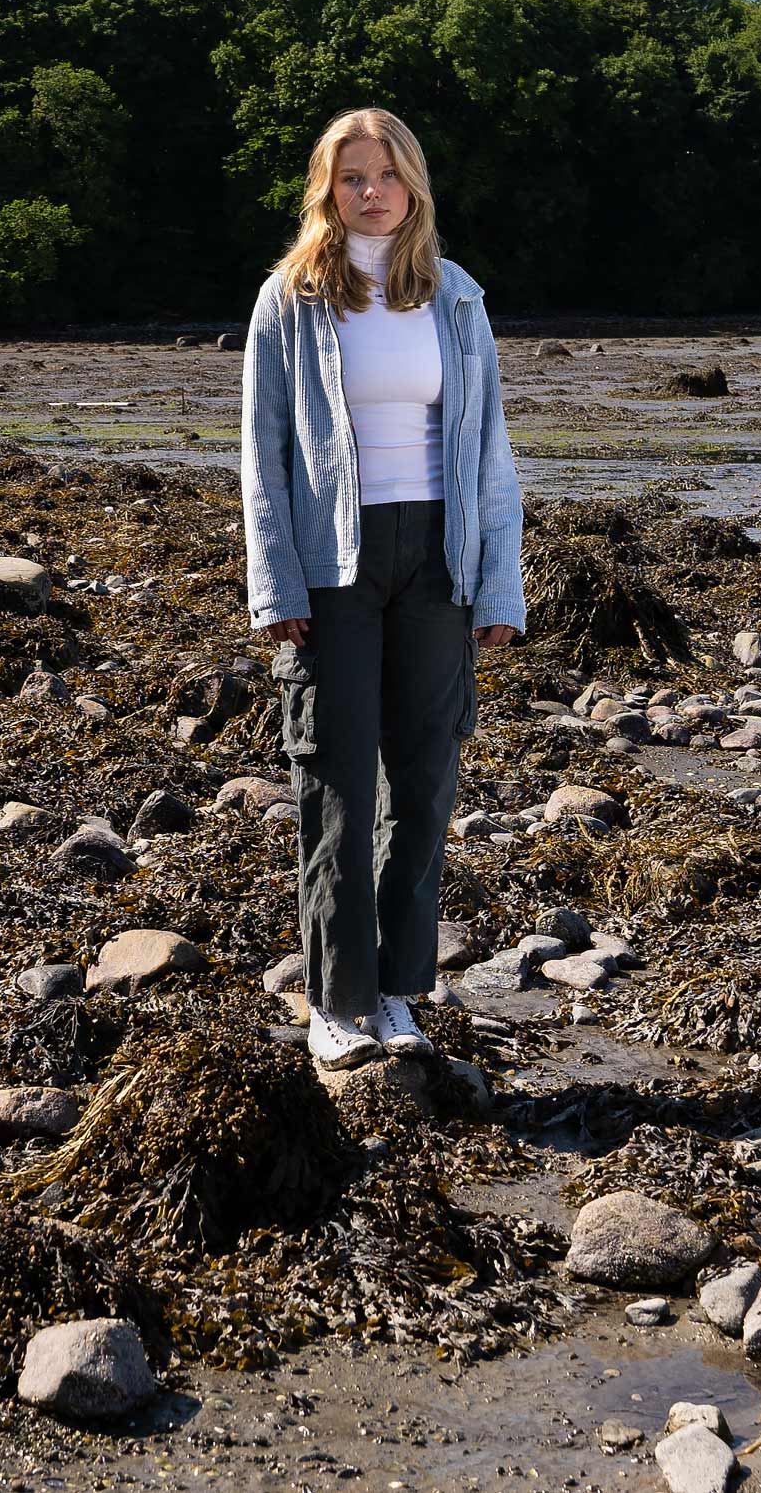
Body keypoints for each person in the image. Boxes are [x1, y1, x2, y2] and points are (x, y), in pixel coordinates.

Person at [239, 107, 525, 1070]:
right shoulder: (290, 298)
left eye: (387, 174)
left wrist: (497, 589)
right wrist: (275, 582)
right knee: (336, 783)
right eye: (352, 175)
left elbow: (489, 452)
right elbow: (262, 455)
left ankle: (400, 993)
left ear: (414, 185)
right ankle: (336, 1001)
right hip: (336, 563)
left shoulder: (456, 297)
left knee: (426, 782)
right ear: (327, 188)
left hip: (437, 557)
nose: (371, 192)